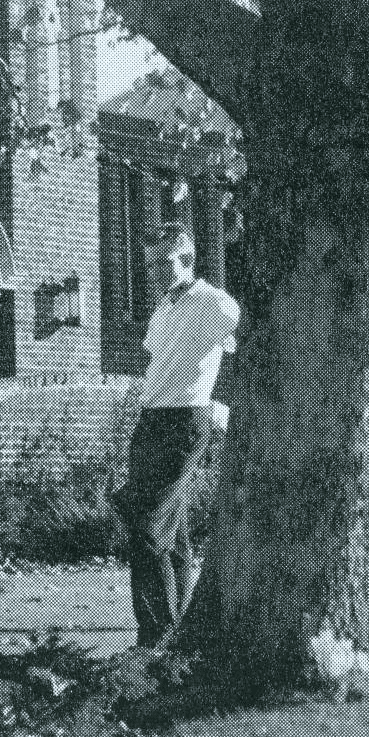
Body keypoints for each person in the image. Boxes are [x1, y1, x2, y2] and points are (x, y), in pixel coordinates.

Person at [114, 223, 241, 647]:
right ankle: (182, 626)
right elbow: (157, 366)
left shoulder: (213, 303)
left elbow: (237, 336)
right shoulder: (162, 311)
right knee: (173, 534)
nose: (156, 273)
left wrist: (218, 410)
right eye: (150, 265)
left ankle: (159, 636)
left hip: (186, 422)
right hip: (151, 422)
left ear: (186, 260)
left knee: (149, 530)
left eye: (164, 264)